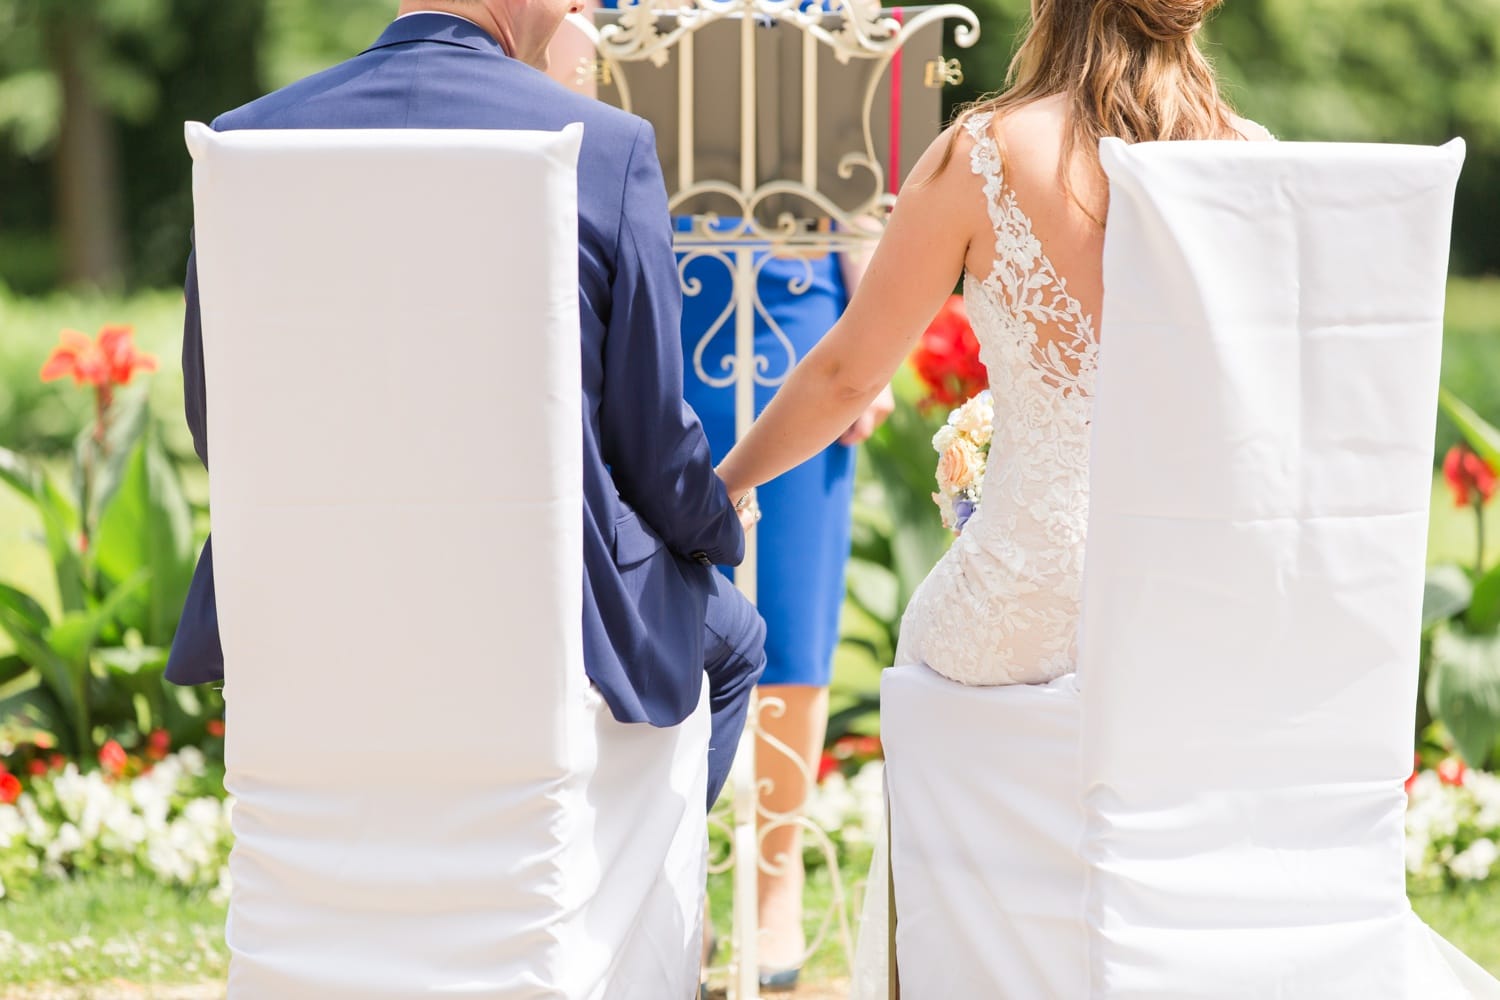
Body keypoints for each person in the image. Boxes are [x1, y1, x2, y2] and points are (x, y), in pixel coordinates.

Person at [164, 0, 768, 811]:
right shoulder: (605, 149)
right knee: (735, 640)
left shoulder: (245, 143)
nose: (586, 5)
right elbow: (652, 443)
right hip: (538, 603)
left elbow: (221, 420)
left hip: (311, 598)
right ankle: (629, 915)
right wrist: (718, 523)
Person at [546, 9, 892, 987]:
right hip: (646, 284)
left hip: (792, 294)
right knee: (643, 588)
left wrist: (871, 329)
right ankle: (664, 881)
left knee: (794, 598)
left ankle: (775, 891)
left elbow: (864, 136)